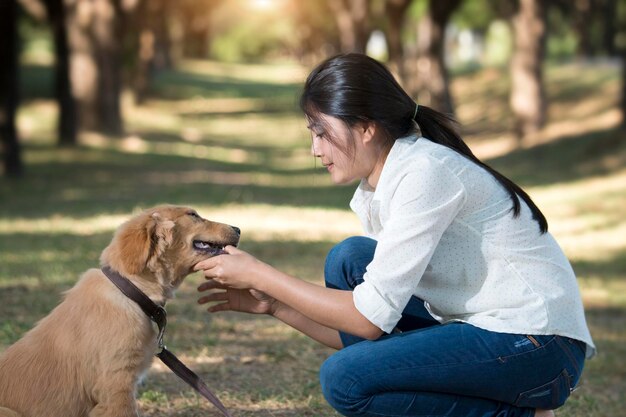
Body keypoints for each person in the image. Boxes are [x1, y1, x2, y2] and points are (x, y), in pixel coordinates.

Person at [195, 53, 595, 417]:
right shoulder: (383, 183)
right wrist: (275, 306)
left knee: (345, 380)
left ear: (366, 127)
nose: (315, 149)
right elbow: (368, 333)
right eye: (311, 134)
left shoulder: (424, 173)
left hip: (538, 345)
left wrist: (261, 274)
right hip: (491, 331)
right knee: (350, 259)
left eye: (321, 132)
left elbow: (367, 321)